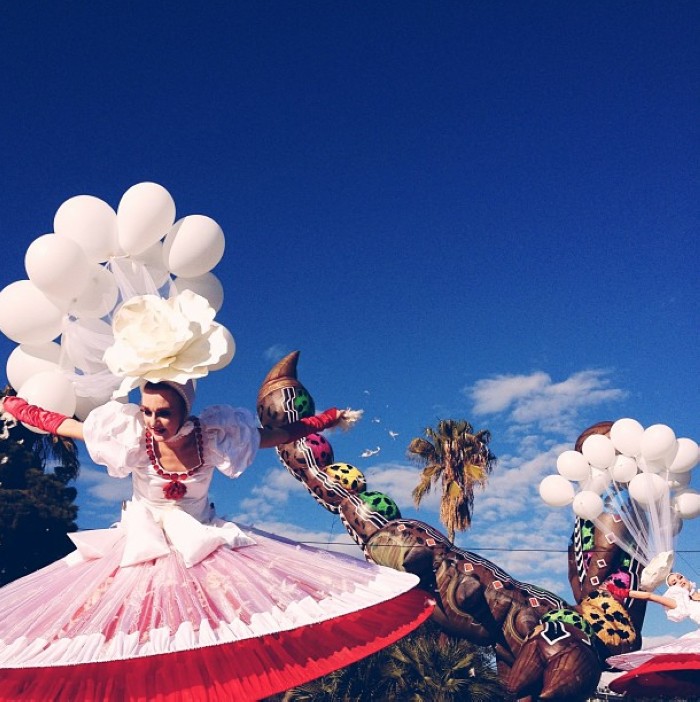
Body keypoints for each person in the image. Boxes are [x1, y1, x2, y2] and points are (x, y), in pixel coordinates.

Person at [0, 296, 432, 701]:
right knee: (129, 634)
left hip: (202, 546)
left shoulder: (216, 436)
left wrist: (326, 419)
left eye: (163, 412)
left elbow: (280, 435)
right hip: (138, 547)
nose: (153, 421)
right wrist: (18, 409)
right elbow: (62, 425)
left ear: (185, 410)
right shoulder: (128, 433)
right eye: (147, 411)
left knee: (210, 632)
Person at [606, 571, 700, 672]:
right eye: (674, 583)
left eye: (680, 577)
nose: (679, 581)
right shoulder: (682, 604)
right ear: (674, 589)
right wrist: (622, 592)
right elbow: (649, 596)